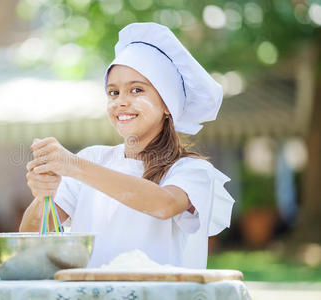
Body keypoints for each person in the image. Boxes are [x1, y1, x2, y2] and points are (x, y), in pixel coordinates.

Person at [19, 22, 235, 269]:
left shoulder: (191, 170)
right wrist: (44, 195)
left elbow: (164, 204)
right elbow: (31, 236)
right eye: (113, 93)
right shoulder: (92, 158)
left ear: (168, 105)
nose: (121, 102)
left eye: (136, 90)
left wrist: (74, 166)